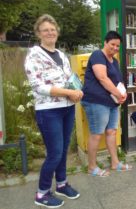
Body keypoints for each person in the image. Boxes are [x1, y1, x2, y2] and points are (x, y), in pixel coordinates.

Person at [25, 14, 83, 208]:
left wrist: (77, 90)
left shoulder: (62, 55)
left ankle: (61, 184)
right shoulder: (34, 55)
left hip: (67, 108)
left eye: (52, 29)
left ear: (57, 32)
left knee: (63, 149)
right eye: (45, 30)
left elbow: (69, 78)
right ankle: (41, 194)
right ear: (38, 33)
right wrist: (68, 92)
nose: (50, 32)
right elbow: (37, 86)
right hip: (49, 111)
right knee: (54, 153)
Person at [81, 31, 132, 175]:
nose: (115, 48)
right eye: (112, 44)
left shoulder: (114, 61)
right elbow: (102, 78)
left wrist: (124, 93)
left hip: (112, 102)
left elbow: (119, 81)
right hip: (96, 101)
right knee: (96, 134)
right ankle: (92, 167)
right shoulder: (98, 55)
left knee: (112, 131)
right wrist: (119, 94)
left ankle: (115, 163)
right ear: (105, 42)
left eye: (117, 46)